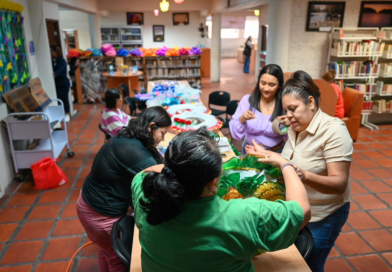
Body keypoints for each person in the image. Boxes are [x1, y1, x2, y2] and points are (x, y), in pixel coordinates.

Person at [131, 127, 311, 272]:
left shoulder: (146, 195)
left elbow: (141, 174)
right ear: (212, 183)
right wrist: (284, 163)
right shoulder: (243, 216)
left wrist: (183, 168)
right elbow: (302, 210)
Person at [246, 70, 353, 272]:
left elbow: (339, 184)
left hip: (324, 214)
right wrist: (269, 154)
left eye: (293, 108)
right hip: (298, 208)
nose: (289, 115)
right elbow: (280, 127)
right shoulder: (296, 123)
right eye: (285, 110)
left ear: (311, 102)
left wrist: (301, 174)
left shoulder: (334, 131)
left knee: (311, 265)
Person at [77, 106, 171, 272]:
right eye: (162, 133)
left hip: (89, 204)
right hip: (100, 213)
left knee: (107, 250)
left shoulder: (133, 135)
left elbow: (157, 159)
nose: (162, 139)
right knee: (117, 259)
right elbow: (162, 178)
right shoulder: (132, 150)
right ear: (151, 126)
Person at [230, 64, 290, 154]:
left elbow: (293, 139)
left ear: (280, 85)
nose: (266, 88)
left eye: (272, 85)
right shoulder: (248, 101)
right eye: (263, 83)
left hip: (275, 154)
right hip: (249, 153)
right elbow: (235, 133)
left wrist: (290, 125)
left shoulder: (284, 105)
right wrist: (242, 119)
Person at [51, 45, 71, 122]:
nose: (51, 53)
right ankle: (60, 114)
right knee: (58, 98)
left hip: (63, 83)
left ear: (56, 52)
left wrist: (55, 74)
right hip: (57, 83)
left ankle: (67, 114)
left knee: (64, 98)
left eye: (52, 51)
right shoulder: (53, 61)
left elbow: (59, 71)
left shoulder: (62, 61)